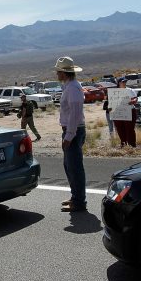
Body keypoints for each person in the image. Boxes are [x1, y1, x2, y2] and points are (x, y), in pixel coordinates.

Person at [55, 56, 86, 212]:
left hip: (73, 131)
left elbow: (75, 113)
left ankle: (79, 201)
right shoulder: (70, 86)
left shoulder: (73, 88)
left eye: (58, 71)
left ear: (64, 72)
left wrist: (69, 135)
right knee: (69, 166)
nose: (56, 73)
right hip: (71, 130)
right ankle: (76, 197)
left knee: (74, 167)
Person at [112, 78, 138, 147]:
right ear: (119, 83)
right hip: (118, 112)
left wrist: (133, 101)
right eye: (123, 82)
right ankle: (123, 144)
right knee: (120, 129)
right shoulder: (114, 92)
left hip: (130, 110)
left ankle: (132, 145)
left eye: (125, 81)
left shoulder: (130, 90)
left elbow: (135, 98)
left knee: (129, 128)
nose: (124, 83)